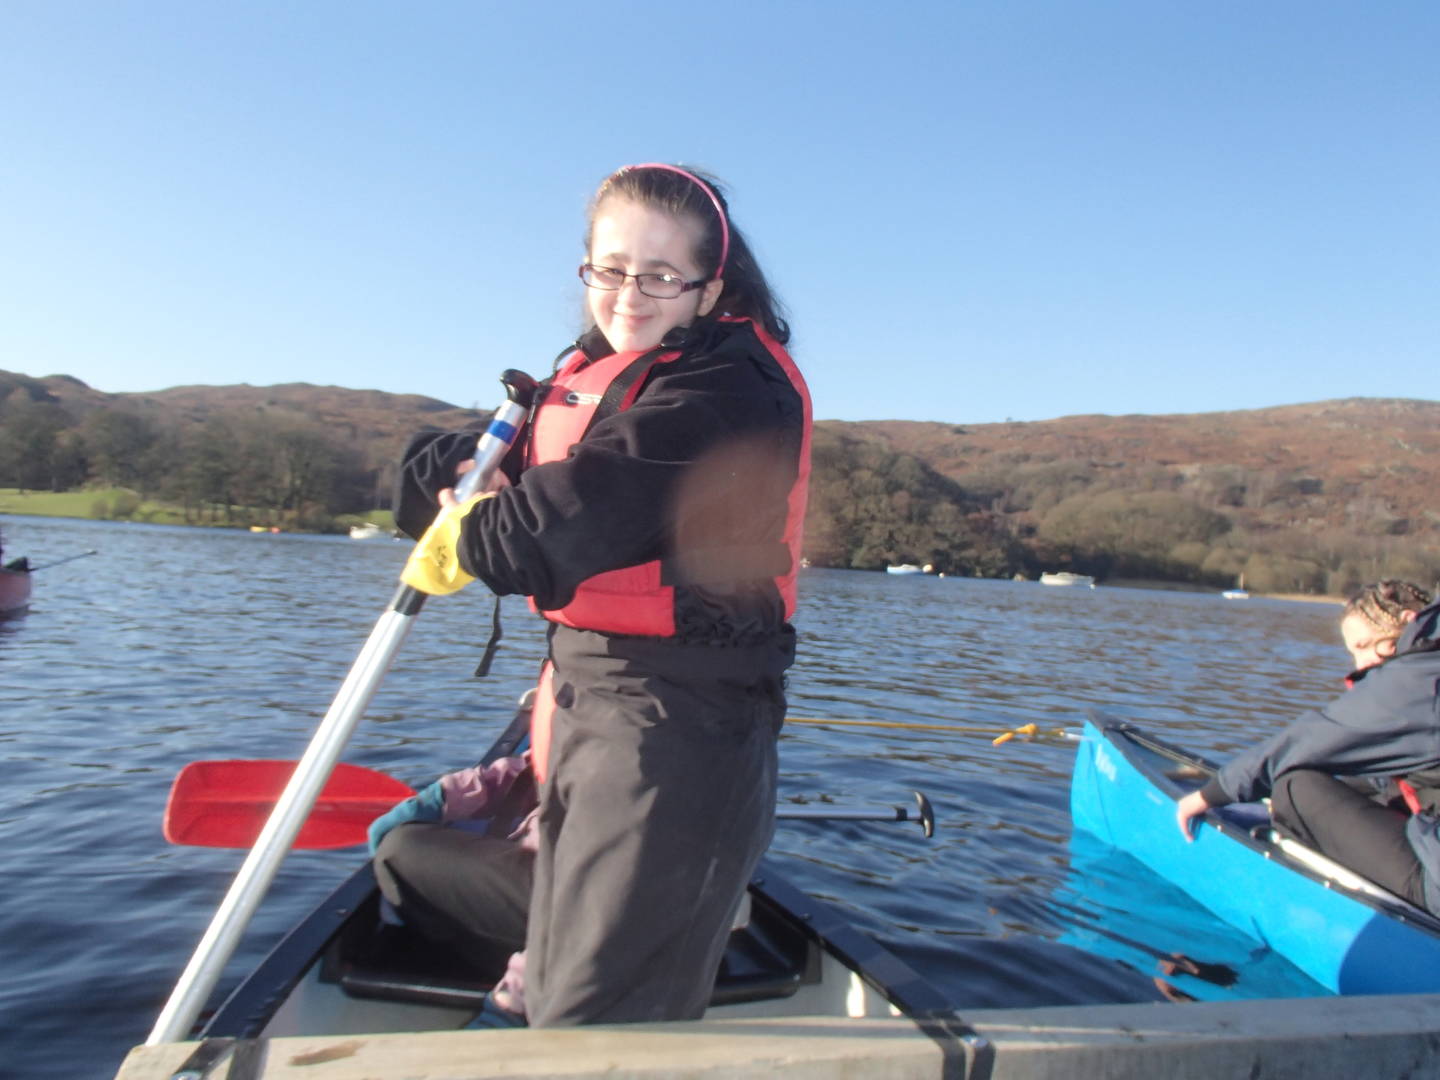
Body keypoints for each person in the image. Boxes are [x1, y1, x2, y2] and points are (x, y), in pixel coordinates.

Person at [388, 162, 811, 1027]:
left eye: (661, 274)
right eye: (612, 269)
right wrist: (459, 480)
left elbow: (559, 529)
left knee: (596, 1029)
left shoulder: (731, 394)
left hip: (681, 723)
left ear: (709, 286)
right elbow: (423, 473)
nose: (630, 294)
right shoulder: (600, 376)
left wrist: (467, 525)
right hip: (583, 696)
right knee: (411, 862)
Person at [1176, 580, 1440, 911]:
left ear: (1408, 619)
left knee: (1294, 786)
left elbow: (1307, 741)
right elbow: (1392, 772)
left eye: (1365, 645)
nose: (1359, 665)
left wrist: (1208, 795)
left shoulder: (1417, 681)